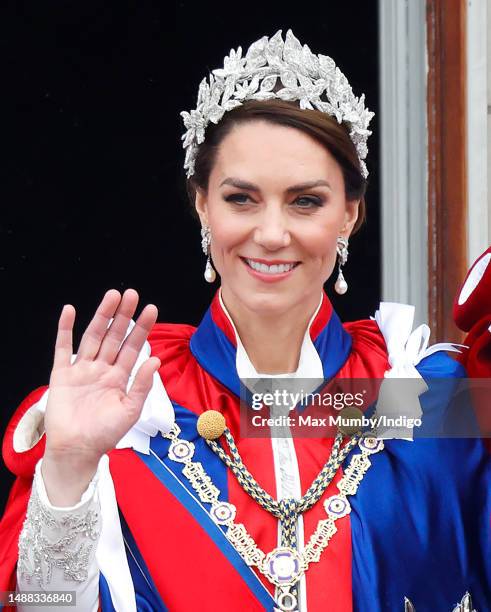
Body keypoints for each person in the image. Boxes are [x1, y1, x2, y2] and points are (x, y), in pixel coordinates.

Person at [0, 29, 490, 612]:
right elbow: (42, 604)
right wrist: (69, 467)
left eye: (306, 201)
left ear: (350, 215)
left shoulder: (426, 397)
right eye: (242, 199)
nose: (273, 234)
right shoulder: (130, 405)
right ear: (202, 203)